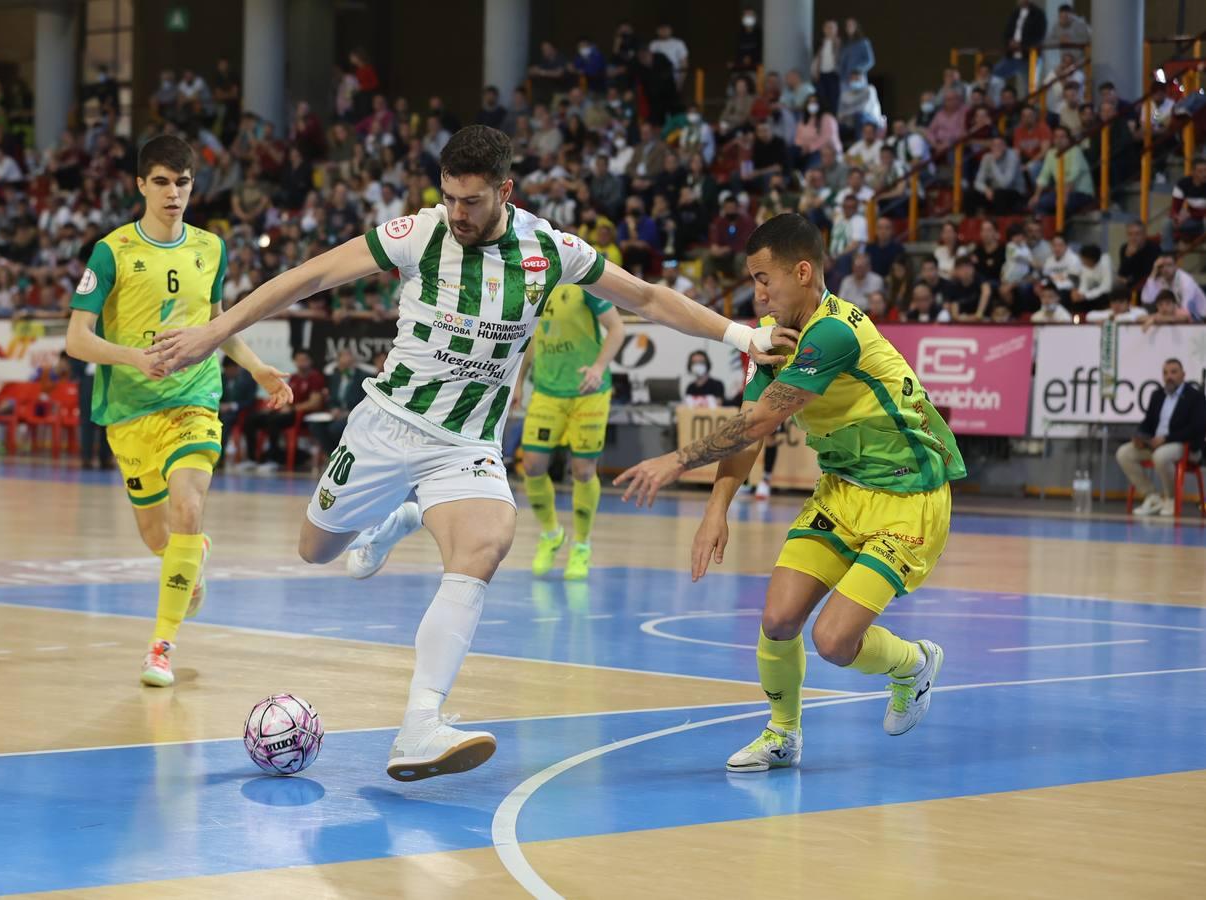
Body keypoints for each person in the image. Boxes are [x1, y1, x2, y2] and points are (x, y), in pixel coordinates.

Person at [147, 125, 795, 782]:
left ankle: (419, 726)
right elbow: (309, 276)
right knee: (316, 550)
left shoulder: (549, 250)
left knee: (489, 539)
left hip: (463, 444)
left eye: (471, 201)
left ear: (505, 191)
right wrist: (215, 332)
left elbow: (649, 297)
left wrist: (742, 334)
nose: (457, 213)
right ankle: (397, 518)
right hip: (385, 427)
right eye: (449, 197)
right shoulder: (417, 235)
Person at [616, 213, 963, 773]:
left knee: (833, 641)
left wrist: (676, 461)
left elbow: (755, 426)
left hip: (909, 496)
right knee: (777, 620)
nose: (756, 294)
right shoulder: (775, 339)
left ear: (803, 272)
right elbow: (753, 422)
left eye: (763, 279)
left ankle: (912, 664)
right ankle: (783, 734)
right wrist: (715, 510)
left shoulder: (834, 333)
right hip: (842, 491)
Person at [64, 135, 291, 688]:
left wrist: (257, 366)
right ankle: (191, 559)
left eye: (183, 182)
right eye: (162, 181)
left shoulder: (210, 248)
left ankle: (159, 647)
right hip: (130, 409)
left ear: (194, 186)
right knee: (156, 536)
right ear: (141, 184)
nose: (173, 192)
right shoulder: (111, 250)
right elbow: (76, 339)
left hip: (194, 398)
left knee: (188, 506)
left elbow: (217, 323)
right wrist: (132, 360)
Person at [514, 282, 626, 581]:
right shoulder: (531, 285)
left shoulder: (584, 285)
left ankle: (581, 545)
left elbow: (617, 329)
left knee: (583, 470)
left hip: (587, 391)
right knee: (532, 465)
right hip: (546, 391)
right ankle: (551, 534)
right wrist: (518, 381)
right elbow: (532, 339)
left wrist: (598, 367)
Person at [1115, 358, 1206, 517]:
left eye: (1173, 372)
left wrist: (1166, 438)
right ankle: (1152, 496)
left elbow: (1196, 428)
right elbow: (1148, 423)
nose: (1169, 376)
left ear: (1183, 375)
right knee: (1123, 453)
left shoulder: (1195, 397)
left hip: (1185, 446)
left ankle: (1170, 498)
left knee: (1161, 456)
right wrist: (1140, 436)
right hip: (1156, 444)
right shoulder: (1157, 395)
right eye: (1165, 373)